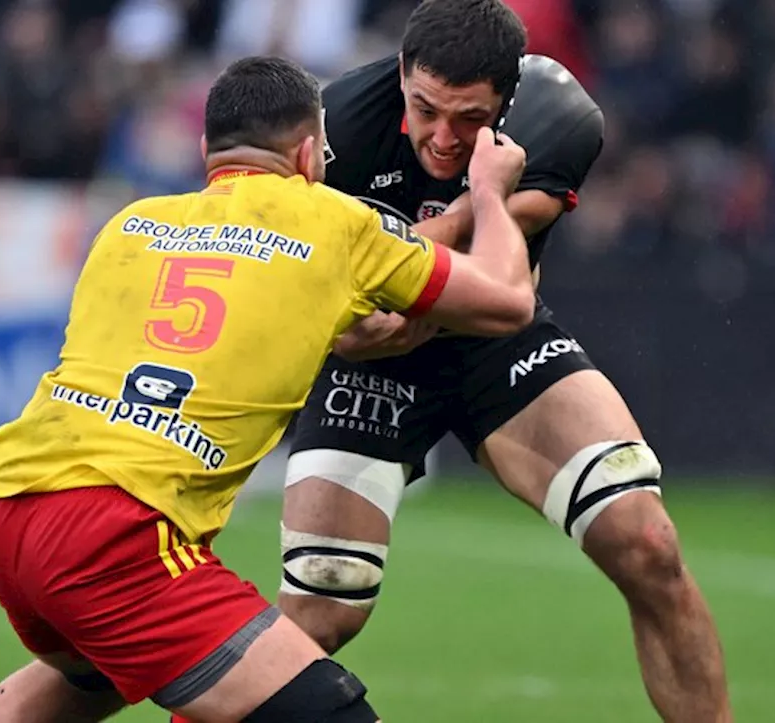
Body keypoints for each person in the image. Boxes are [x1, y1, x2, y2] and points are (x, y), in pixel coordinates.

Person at [0, 54, 536, 723]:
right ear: (305, 154)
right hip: (117, 532)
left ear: (207, 150)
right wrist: (490, 193)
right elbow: (506, 302)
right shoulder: (333, 222)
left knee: (93, 676)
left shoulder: (128, 225)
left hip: (7, 510)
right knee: (332, 714)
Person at [276, 1, 735, 721]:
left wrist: (402, 260)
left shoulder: (559, 113)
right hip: (373, 370)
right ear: (400, 73)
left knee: (648, 543)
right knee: (319, 608)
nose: (442, 136)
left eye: (469, 119)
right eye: (425, 108)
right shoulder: (331, 131)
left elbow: (496, 273)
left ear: (508, 100)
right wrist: (481, 198)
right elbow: (350, 334)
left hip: (495, 343)